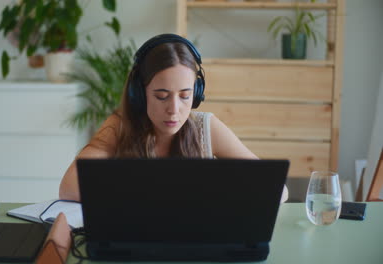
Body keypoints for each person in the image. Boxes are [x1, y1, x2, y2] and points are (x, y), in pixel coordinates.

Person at [59, 33, 288, 202]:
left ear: (196, 94)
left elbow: (279, 189)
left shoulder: (205, 127)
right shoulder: (120, 125)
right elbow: (69, 187)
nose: (174, 109)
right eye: (161, 96)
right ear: (139, 94)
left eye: (185, 96)